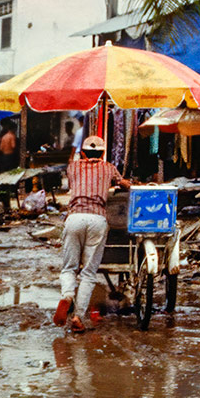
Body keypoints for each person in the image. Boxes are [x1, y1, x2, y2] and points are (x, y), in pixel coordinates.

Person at [55, 135, 132, 334]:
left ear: (83, 153)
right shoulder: (108, 168)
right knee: (88, 273)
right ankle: (78, 316)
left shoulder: (73, 167)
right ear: (103, 153)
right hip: (97, 219)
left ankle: (67, 296)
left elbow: (73, 181)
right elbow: (124, 184)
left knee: (69, 268)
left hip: (74, 218)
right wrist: (128, 183)